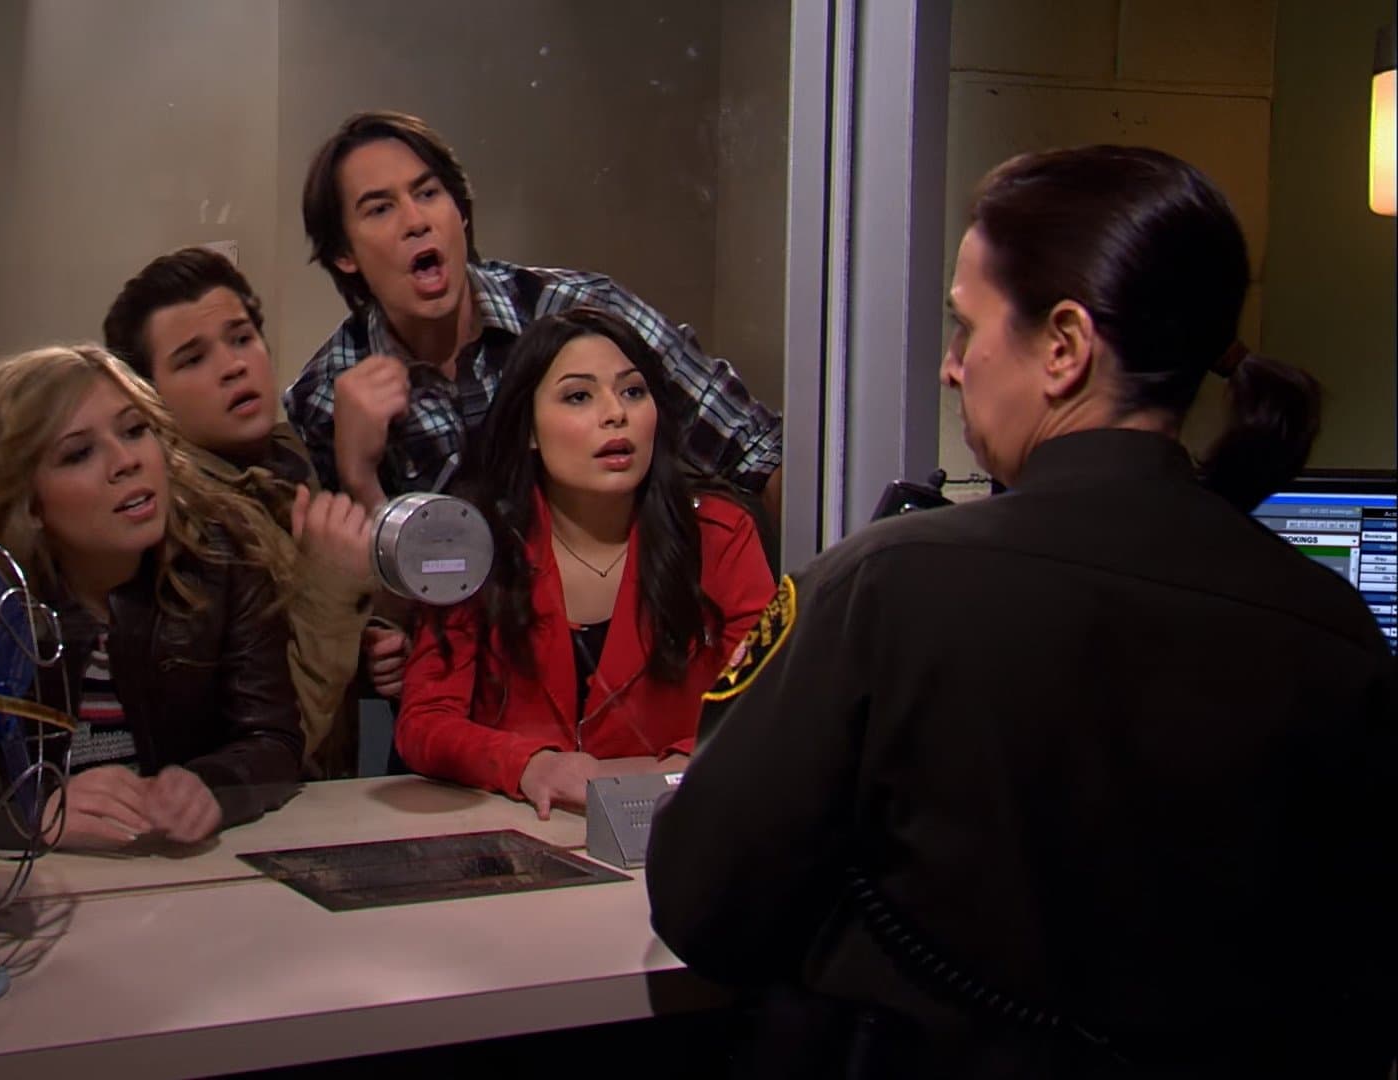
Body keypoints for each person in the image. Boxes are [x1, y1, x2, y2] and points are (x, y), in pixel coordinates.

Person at [646, 146, 1395, 1078]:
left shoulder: (885, 586)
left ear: (1064, 346)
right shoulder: (1335, 629)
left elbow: (706, 907)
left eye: (966, 328)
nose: (950, 368)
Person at [283, 110, 784, 527]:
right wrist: (359, 475)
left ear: (460, 211)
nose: (416, 221)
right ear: (343, 253)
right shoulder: (325, 397)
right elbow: (357, 597)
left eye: (428, 193)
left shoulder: (582, 311)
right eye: (380, 209)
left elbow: (760, 453)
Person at [394, 308, 777, 818]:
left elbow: (767, 702)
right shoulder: (477, 543)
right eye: (579, 396)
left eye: (633, 391)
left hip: (673, 825)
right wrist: (528, 765)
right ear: (529, 430)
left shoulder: (719, 535)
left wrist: (681, 765)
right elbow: (424, 723)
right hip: (519, 828)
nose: (615, 413)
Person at [0, 344, 305, 847]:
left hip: (183, 868)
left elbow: (272, 739)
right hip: (51, 882)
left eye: (133, 430)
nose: (127, 461)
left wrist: (212, 785)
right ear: (29, 504)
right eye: (78, 454)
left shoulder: (224, 560)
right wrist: (30, 814)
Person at [102, 248, 379, 776]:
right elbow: (266, 749)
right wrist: (332, 596)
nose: (233, 366)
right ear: (148, 398)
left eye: (241, 338)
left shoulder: (287, 464)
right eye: (192, 359)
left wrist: (367, 644)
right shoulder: (179, 526)